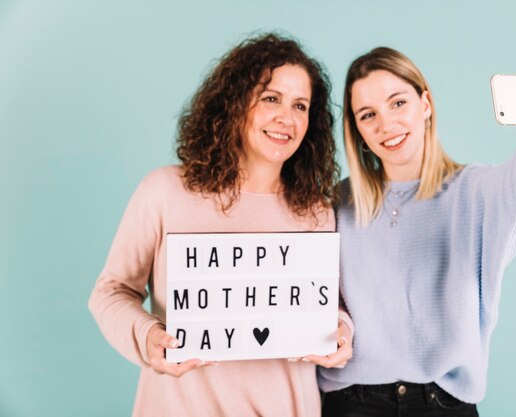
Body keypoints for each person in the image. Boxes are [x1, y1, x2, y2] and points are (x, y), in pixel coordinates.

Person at [318, 47, 516, 416]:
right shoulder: (336, 203)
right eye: (368, 115)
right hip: (351, 403)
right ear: (358, 131)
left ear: (426, 104)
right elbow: (321, 294)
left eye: (398, 103)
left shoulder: (474, 189)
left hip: (443, 405)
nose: (386, 125)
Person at [89, 33, 353, 417]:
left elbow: (328, 306)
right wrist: (147, 337)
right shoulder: (165, 191)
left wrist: (341, 332)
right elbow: (111, 291)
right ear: (234, 103)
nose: (287, 117)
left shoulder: (315, 211)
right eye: (271, 98)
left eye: (300, 105)